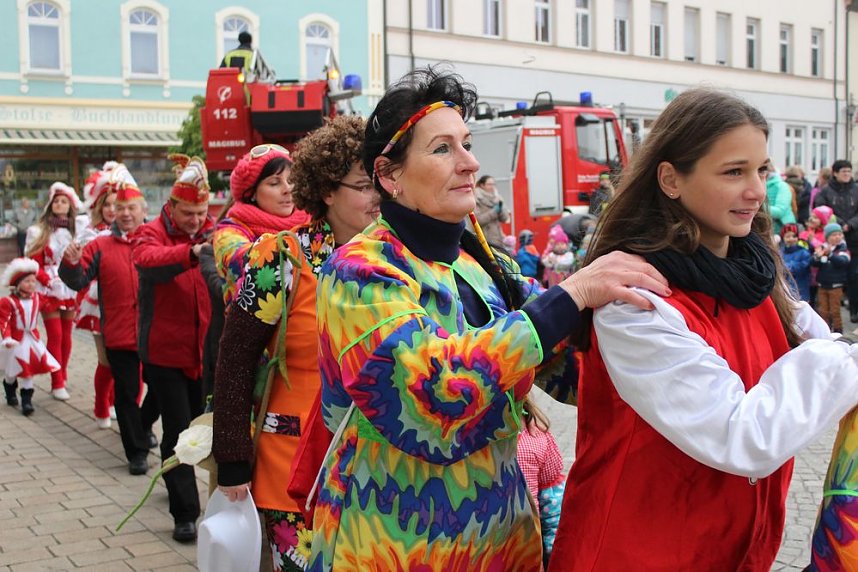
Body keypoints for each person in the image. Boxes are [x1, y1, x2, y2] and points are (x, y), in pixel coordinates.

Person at [308, 67, 670, 571]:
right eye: (443, 149)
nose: (470, 163)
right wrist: (572, 294)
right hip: (390, 545)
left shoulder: (482, 264)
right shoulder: (358, 272)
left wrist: (659, 331)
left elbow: (565, 364)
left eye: (468, 144)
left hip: (502, 543)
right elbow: (430, 397)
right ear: (389, 176)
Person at [548, 88, 858, 571]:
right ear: (671, 179)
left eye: (762, 170)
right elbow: (743, 435)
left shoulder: (756, 277)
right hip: (634, 555)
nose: (756, 191)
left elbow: (825, 344)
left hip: (731, 554)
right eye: (734, 172)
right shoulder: (636, 300)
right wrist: (842, 361)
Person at [213, 116, 377, 571]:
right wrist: (232, 458)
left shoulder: (396, 256)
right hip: (292, 470)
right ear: (326, 190)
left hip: (380, 473)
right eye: (364, 185)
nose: (378, 197)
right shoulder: (279, 257)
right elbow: (235, 357)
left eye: (382, 182)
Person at [132, 154, 213, 543]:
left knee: (202, 428)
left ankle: (177, 478)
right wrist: (190, 253)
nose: (196, 221)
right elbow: (146, 260)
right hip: (165, 352)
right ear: (171, 206)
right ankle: (185, 512)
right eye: (188, 214)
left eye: (201, 213)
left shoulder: (214, 230)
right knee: (179, 432)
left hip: (203, 353)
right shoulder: (151, 232)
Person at [60, 170, 152, 476]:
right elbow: (77, 280)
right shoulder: (99, 246)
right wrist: (71, 262)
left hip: (158, 334)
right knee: (127, 395)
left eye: (131, 208)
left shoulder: (156, 240)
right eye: (120, 208)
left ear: (144, 210)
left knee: (163, 393)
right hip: (120, 333)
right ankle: (136, 451)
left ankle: (144, 425)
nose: (125, 214)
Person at [214, 144, 309, 306]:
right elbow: (249, 263)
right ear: (251, 193)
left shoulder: (311, 221)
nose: (287, 189)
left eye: (291, 180)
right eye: (274, 183)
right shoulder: (228, 233)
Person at [25, 182, 81, 401]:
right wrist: (47, 280)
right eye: (56, 201)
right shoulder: (38, 232)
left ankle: (62, 375)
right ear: (50, 205)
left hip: (70, 287)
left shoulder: (75, 231)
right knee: (55, 335)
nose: (60, 205)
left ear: (70, 206)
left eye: (64, 201)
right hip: (49, 289)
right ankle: (56, 381)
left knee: (67, 335)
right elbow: (33, 262)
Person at [74, 165, 119, 429]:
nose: (113, 210)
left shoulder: (136, 233)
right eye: (108, 204)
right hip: (98, 304)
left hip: (127, 304)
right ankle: (102, 406)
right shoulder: (90, 235)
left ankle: (122, 407)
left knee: (129, 361)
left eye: (118, 204)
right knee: (106, 360)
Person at [0, 258, 59, 416]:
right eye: (27, 281)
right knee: (12, 371)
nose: (32, 284)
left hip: (32, 339)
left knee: (28, 370)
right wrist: (6, 338)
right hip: (15, 341)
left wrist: (57, 290)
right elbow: (3, 321)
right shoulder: (8, 302)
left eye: (33, 281)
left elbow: (51, 306)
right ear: (17, 284)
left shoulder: (38, 298)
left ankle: (26, 401)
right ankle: (10, 389)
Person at [515, 395, 565, 569]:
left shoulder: (536, 440)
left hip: (526, 556)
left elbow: (553, 511)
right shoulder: (536, 439)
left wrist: (555, 556)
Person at [813, 160, 858, 321]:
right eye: (844, 171)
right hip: (832, 239)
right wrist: (839, 224)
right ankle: (830, 315)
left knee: (854, 276)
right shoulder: (825, 191)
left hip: (854, 239)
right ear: (835, 173)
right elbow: (820, 210)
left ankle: (855, 310)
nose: (847, 174)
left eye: (849, 171)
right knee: (833, 276)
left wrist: (851, 224)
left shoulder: (856, 189)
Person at [812, 222, 851, 333]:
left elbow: (843, 262)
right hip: (822, 285)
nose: (837, 237)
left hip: (836, 286)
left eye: (839, 234)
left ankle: (838, 332)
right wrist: (817, 257)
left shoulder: (843, 249)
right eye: (833, 235)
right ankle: (826, 331)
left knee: (835, 311)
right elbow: (813, 263)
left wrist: (829, 255)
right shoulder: (822, 247)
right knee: (823, 311)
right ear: (827, 237)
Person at [473, 174, 509, 248]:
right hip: (485, 238)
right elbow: (478, 220)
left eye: (493, 184)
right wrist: (494, 211)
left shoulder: (497, 197)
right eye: (489, 184)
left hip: (498, 237)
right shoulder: (476, 197)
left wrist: (500, 207)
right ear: (482, 185)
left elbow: (505, 218)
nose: (492, 187)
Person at [780, 223, 812, 303]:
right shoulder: (780, 253)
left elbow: (805, 266)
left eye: (794, 236)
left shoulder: (803, 252)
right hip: (785, 289)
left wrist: (789, 266)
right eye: (787, 236)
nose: (791, 239)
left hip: (801, 288)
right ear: (783, 238)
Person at [766, 164, 796, 236]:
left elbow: (779, 211)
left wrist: (757, 207)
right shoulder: (759, 186)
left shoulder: (782, 186)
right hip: (766, 231)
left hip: (784, 231)